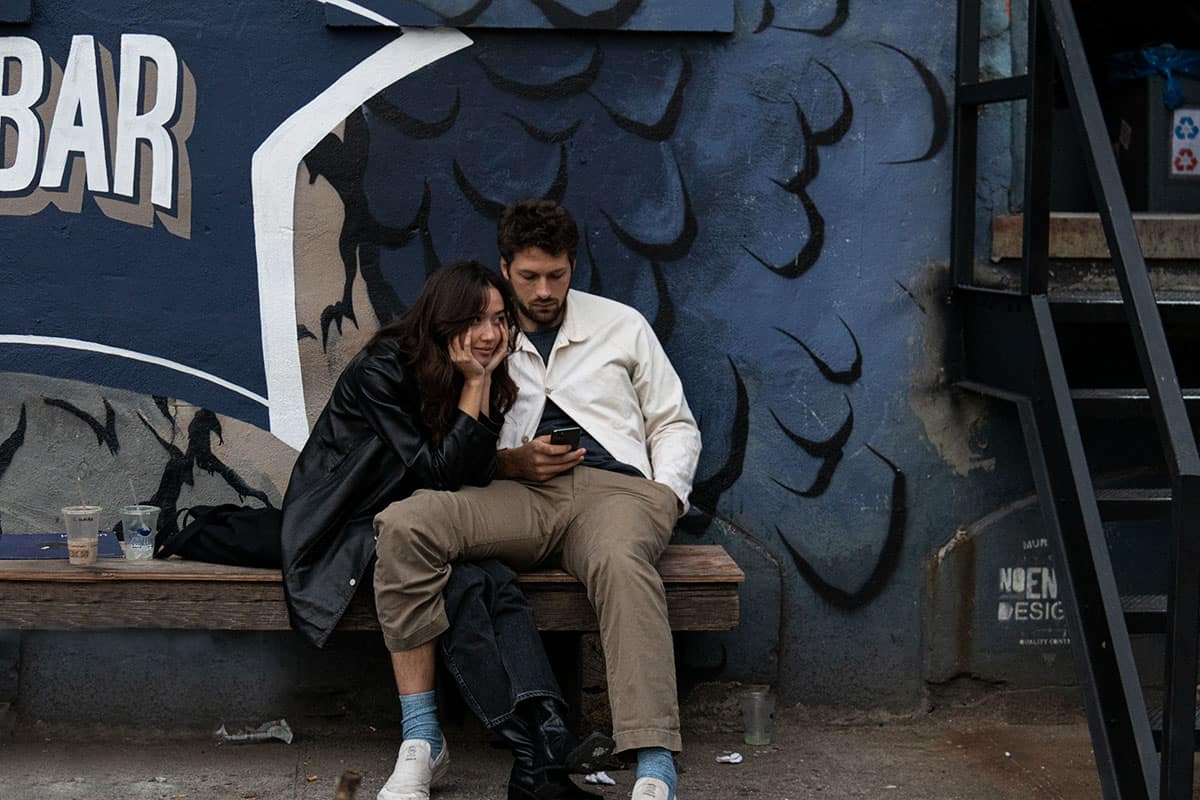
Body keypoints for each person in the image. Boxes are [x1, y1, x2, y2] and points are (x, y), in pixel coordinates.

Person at [373, 200, 702, 800]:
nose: (545, 290)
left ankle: (655, 765)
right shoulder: (484, 331)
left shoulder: (620, 324)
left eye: (557, 275)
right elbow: (448, 436)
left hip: (617, 495)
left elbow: (674, 422)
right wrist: (508, 459)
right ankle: (421, 738)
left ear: (573, 266)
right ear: (505, 268)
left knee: (624, 564)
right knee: (406, 523)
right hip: (520, 494)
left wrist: (665, 494)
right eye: (529, 277)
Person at [277, 261, 608, 800]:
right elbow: (437, 472)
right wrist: (475, 384)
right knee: (464, 587)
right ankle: (455, 743)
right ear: (443, 319)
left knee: (497, 582)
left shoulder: (481, 373)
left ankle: (543, 749)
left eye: (500, 320)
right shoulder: (381, 371)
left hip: (425, 523)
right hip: (350, 527)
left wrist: (485, 401)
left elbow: (466, 476)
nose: (490, 334)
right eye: (476, 320)